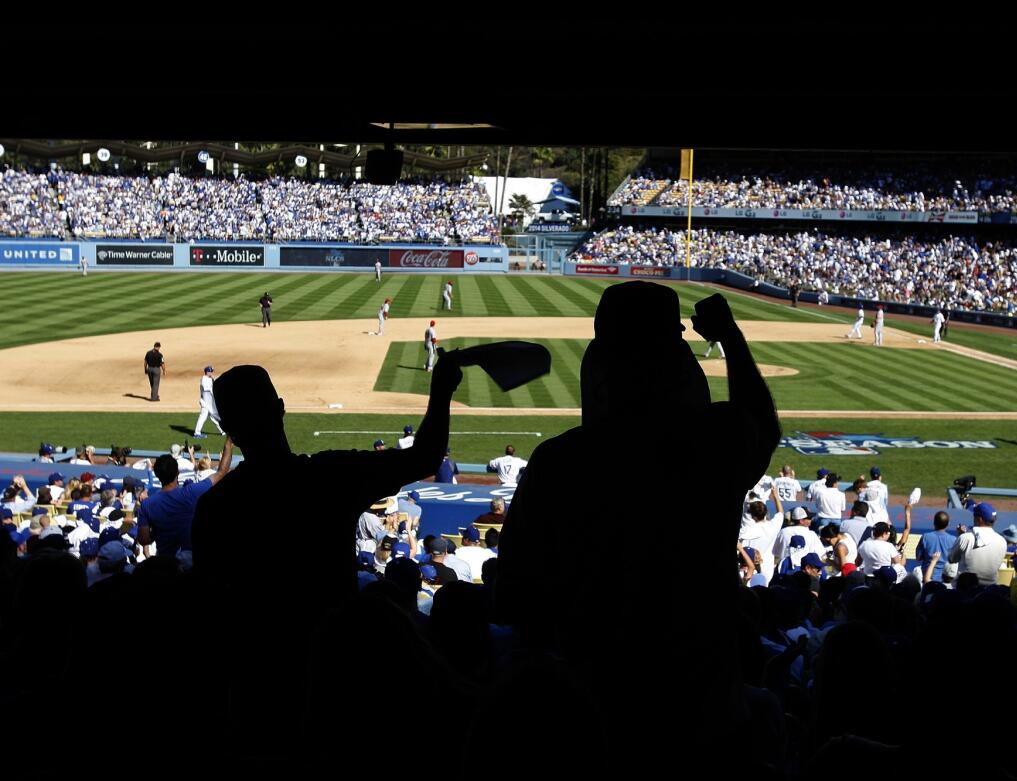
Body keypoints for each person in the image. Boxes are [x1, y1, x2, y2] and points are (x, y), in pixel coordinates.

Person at [496, 283, 779, 773]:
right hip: (703, 711)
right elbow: (761, 426)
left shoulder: (562, 461)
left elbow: (513, 597)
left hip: (592, 718)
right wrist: (730, 338)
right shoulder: (713, 444)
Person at [189, 354, 464, 761]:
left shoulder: (214, 508)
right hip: (334, 680)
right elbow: (424, 457)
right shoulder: (329, 476)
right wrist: (440, 391)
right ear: (281, 409)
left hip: (255, 689)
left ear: (227, 429)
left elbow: (210, 612)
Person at [137, 437, 233, 560]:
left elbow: (144, 539)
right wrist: (228, 443)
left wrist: (159, 529)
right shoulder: (192, 492)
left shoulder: (147, 504)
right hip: (192, 560)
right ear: (177, 472)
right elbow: (221, 472)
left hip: (166, 564)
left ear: (157, 475)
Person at [948, 502, 1006, 586]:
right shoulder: (1002, 541)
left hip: (965, 590)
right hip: (990, 590)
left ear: (980, 519)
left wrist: (961, 536)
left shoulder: (966, 538)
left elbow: (951, 559)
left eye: (974, 515)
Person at [193, 366, 225, 438]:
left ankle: (222, 431)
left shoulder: (210, 379)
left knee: (215, 417)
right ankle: (197, 433)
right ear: (207, 372)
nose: (212, 373)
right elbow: (206, 388)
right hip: (205, 402)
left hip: (210, 403)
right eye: (211, 371)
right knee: (203, 417)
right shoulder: (204, 379)